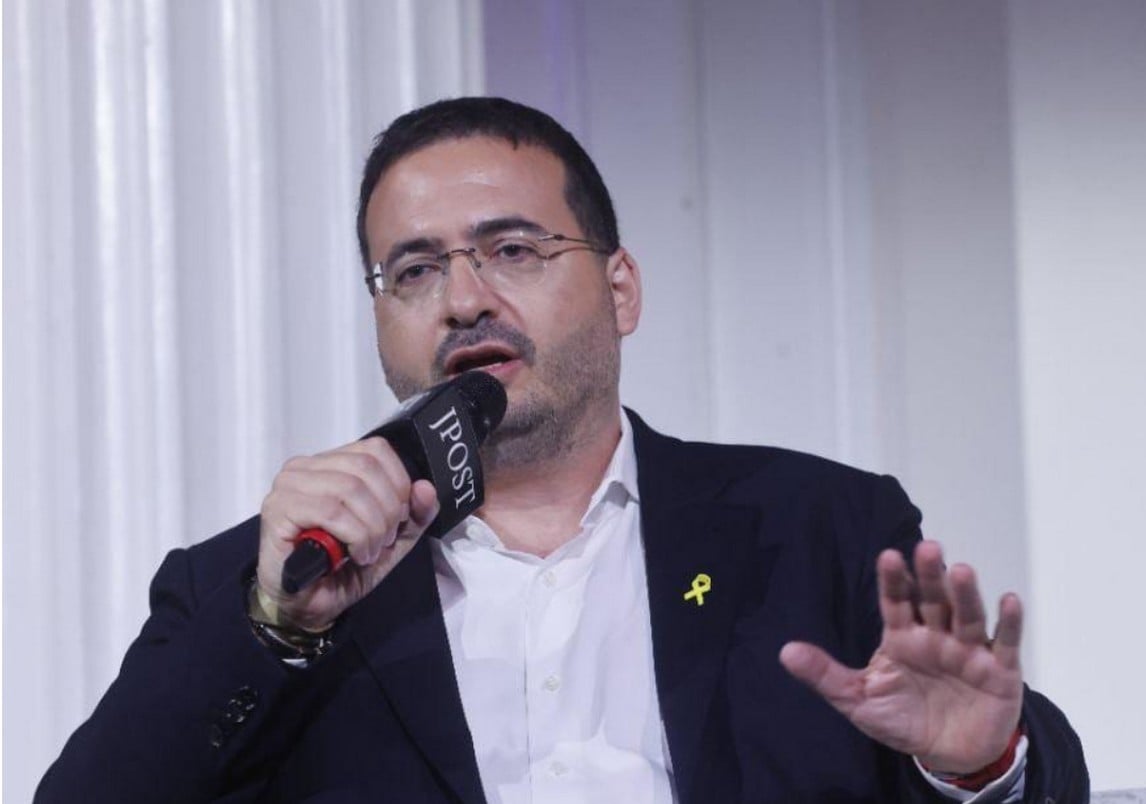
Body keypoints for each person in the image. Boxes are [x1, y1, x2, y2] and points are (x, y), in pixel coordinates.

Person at [37, 97, 1087, 804]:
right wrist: (276, 629)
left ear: (619, 289)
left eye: (511, 249)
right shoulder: (266, 585)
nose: (463, 299)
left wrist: (978, 768)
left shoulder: (816, 528)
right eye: (414, 271)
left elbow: (1034, 776)